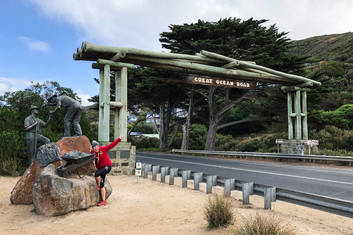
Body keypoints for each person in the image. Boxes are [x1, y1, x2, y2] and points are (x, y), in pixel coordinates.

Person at [90, 136, 122, 206]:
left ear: (98, 146)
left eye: (96, 146)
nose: (95, 148)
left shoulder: (103, 149)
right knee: (102, 184)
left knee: (96, 174)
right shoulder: (92, 152)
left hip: (107, 167)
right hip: (101, 169)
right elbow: (86, 155)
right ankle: (104, 201)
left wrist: (119, 139)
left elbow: (111, 145)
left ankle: (98, 186)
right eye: (94, 147)